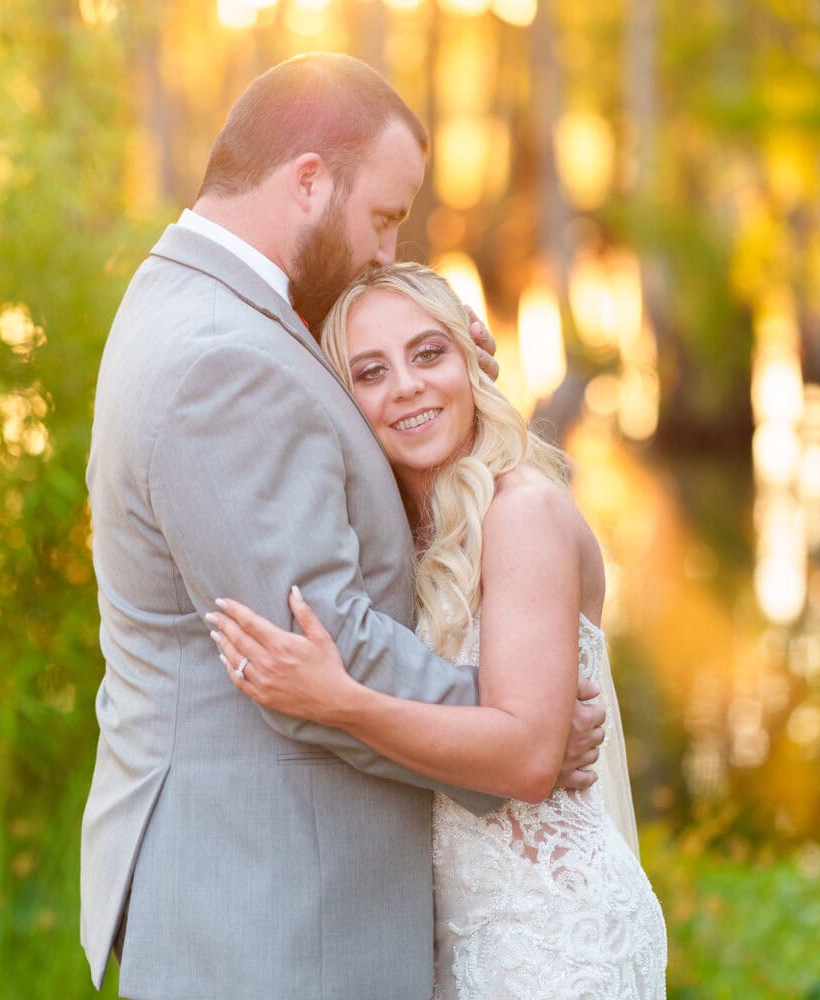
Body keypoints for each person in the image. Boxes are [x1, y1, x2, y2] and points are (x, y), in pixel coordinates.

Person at [80, 53, 607, 1000]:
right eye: (386, 218)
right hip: (279, 916)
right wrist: (513, 731)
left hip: (259, 896)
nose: (384, 252)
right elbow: (317, 642)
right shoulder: (223, 361)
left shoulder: (202, 306)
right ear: (311, 180)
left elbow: (335, 508)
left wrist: (426, 370)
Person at [207, 263, 668, 999]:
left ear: (470, 362)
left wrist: (339, 701)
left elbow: (524, 759)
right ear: (343, 402)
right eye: (371, 372)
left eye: (429, 353)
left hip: (551, 942)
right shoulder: (400, 537)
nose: (408, 386)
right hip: (465, 941)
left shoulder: (522, 513)